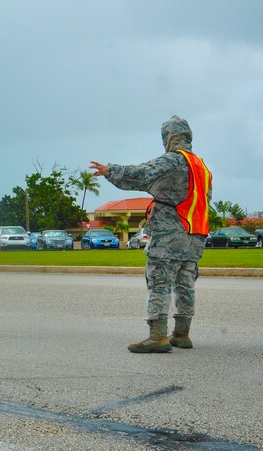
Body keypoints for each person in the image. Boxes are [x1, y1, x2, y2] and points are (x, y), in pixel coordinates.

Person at [89, 115, 212, 353]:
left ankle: (157, 336)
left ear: (170, 137)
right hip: (194, 236)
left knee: (159, 283)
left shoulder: (174, 161)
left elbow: (143, 173)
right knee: (185, 284)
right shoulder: (202, 167)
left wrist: (110, 170)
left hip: (169, 235)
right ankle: (182, 334)